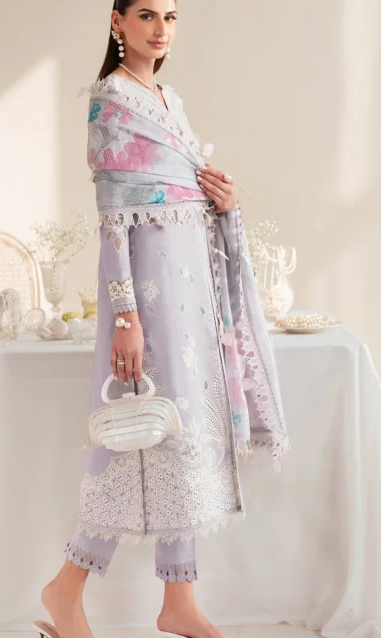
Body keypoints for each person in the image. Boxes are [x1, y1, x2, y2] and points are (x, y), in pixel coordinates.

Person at [34, 1, 289, 637]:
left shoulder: (168, 99)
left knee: (184, 435)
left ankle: (179, 600)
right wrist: (125, 313)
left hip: (191, 292)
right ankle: (65, 590)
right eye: (147, 15)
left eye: (171, 17)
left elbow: (186, 190)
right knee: (135, 440)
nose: (161, 30)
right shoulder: (110, 101)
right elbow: (113, 217)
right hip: (147, 298)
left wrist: (224, 201)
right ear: (116, 21)